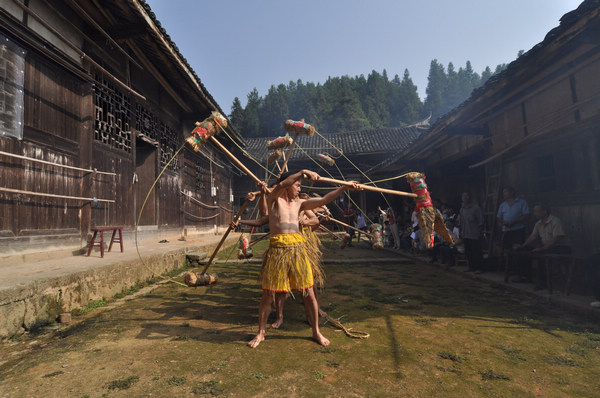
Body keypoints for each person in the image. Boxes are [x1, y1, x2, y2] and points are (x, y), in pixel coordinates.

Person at [248, 170, 360, 348]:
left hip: (298, 251)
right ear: (288, 184)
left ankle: (316, 331)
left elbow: (324, 200)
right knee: (268, 295)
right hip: (277, 252)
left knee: (308, 294)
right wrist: (302, 172)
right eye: (297, 184)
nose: (299, 188)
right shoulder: (275, 199)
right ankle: (261, 333)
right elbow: (282, 185)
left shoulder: (300, 203)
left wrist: (344, 187)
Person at [513, 204, 570, 288]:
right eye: (534, 211)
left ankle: (543, 282)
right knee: (523, 250)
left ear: (545, 211)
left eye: (537, 211)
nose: (535, 213)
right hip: (546, 247)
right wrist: (522, 246)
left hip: (560, 247)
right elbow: (533, 236)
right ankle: (526, 276)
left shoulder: (555, 221)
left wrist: (543, 248)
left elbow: (556, 238)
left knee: (542, 254)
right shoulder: (538, 223)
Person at [497, 187, 530, 252]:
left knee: (519, 248)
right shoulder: (503, 205)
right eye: (503, 192)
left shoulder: (522, 202)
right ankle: (509, 262)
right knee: (507, 249)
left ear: (512, 192)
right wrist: (504, 222)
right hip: (506, 230)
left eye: (506, 191)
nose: (504, 194)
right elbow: (498, 217)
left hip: (518, 230)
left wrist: (515, 222)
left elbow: (526, 214)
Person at [458, 192, 484, 273]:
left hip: (474, 233)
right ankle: (471, 266)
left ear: (469, 197)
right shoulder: (462, 209)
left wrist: (479, 233)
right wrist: (461, 232)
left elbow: (480, 222)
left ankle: (479, 268)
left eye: (466, 196)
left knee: (477, 252)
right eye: (463, 196)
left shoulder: (476, 208)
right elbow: (461, 222)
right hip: (466, 233)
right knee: (468, 251)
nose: (464, 198)